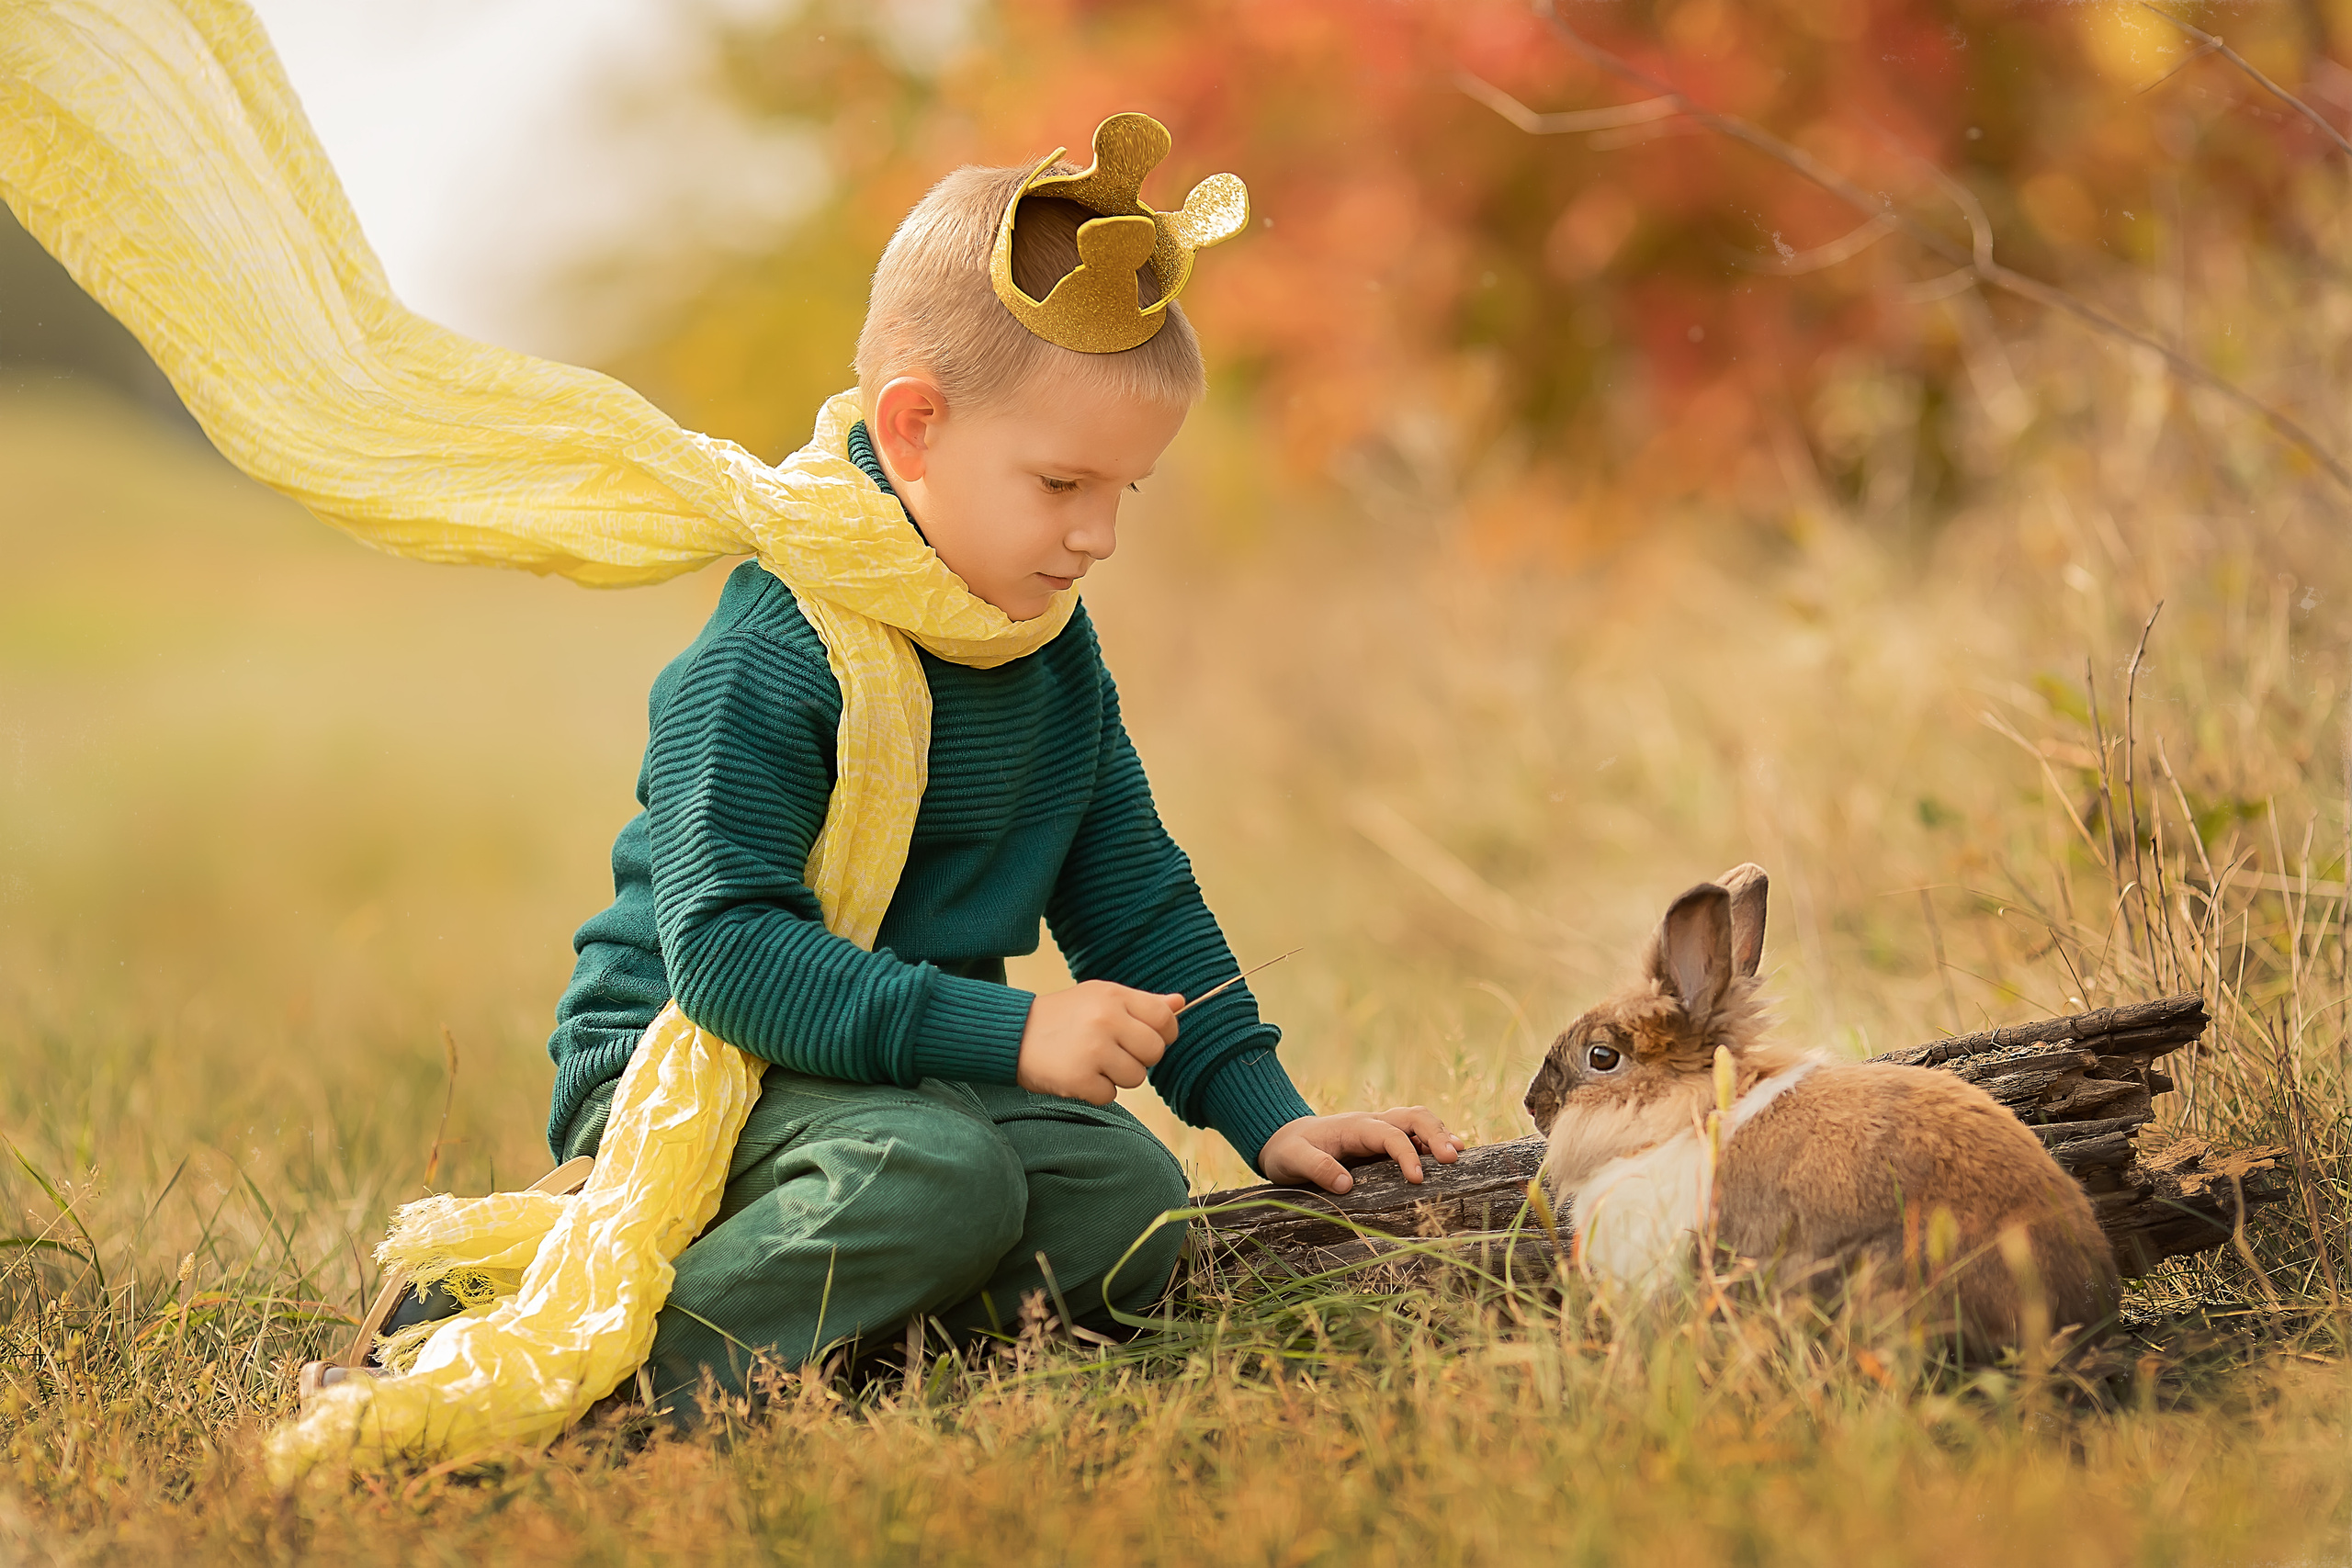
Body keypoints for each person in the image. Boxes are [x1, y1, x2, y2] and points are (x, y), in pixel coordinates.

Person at [537, 140, 1464, 1407]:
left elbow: (1134, 899)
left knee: (1130, 1204)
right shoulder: (775, 650)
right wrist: (1014, 1029)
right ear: (915, 429)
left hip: (897, 1084)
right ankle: (595, 1377)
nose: (1100, 535)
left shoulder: (1041, 651)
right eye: (1061, 483)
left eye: (1126, 487)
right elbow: (728, 955)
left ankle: (842, 1355)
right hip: (692, 1070)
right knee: (940, 1178)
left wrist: (1269, 1117)